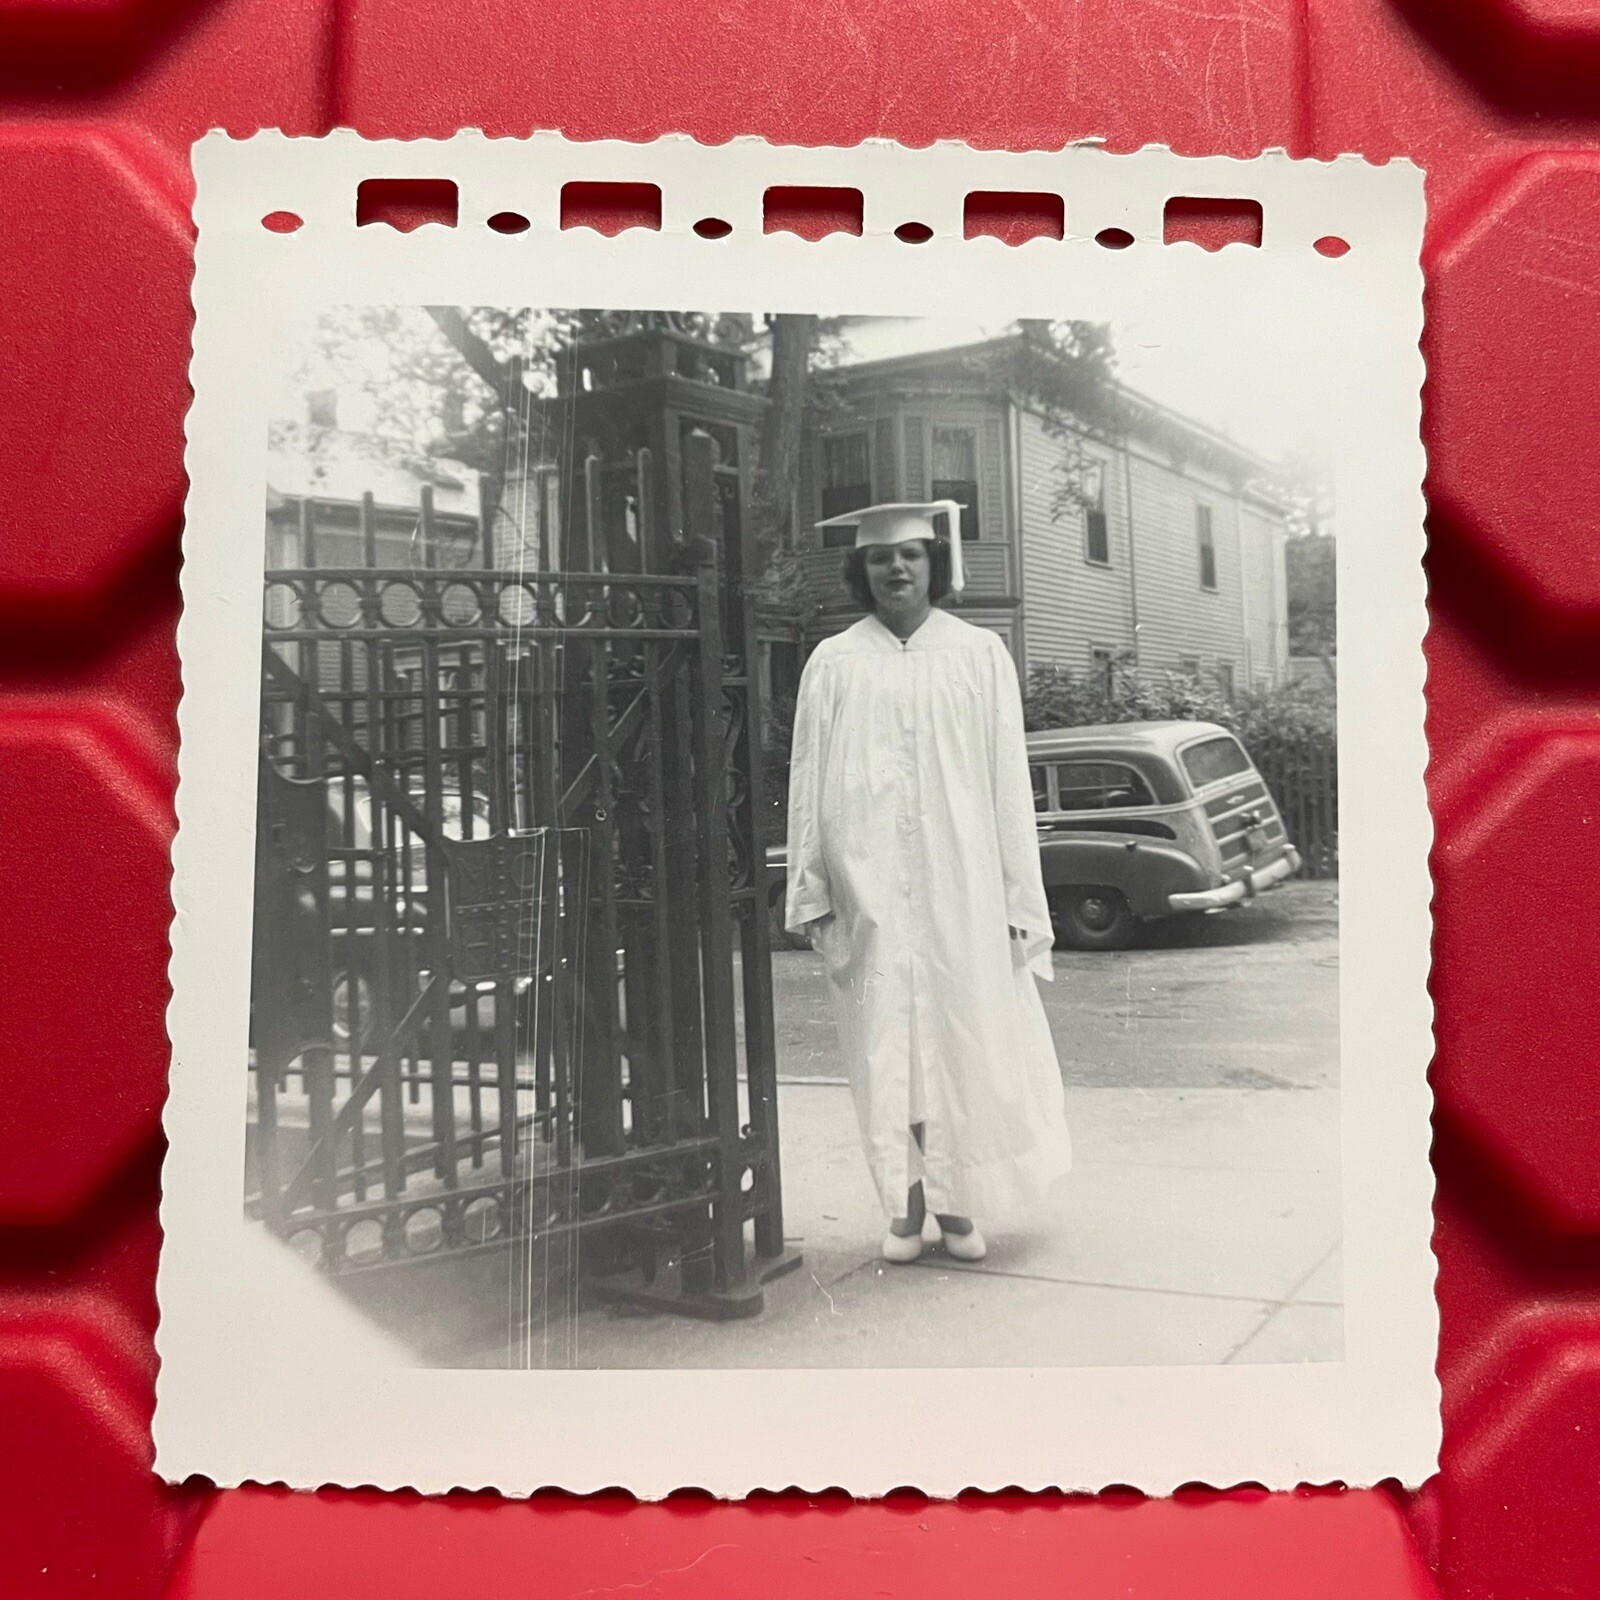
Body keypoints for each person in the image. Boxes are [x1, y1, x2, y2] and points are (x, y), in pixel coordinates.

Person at [784, 500, 1072, 1265]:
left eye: (911, 554)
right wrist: (811, 886)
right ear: (863, 569)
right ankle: (906, 1206)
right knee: (888, 1047)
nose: (897, 569)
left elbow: (1009, 780)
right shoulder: (835, 662)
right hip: (868, 883)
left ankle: (958, 1203)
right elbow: (808, 775)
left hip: (962, 882)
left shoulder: (978, 655)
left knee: (964, 1039)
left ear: (933, 563)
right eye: (881, 558)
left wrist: (1019, 895)